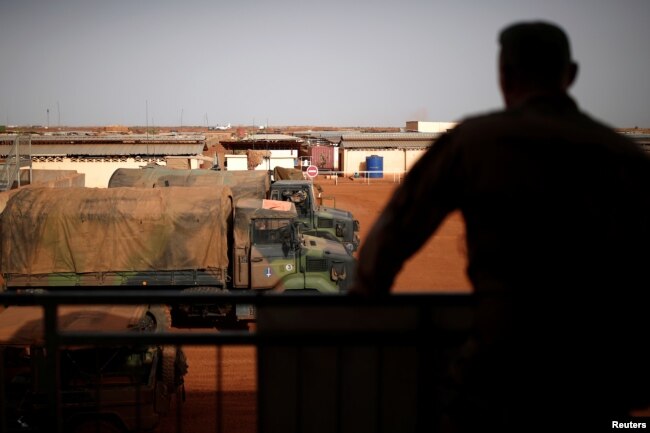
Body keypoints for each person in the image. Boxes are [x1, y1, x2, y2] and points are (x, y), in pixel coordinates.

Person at [350, 21, 650, 431]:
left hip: (496, 377)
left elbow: (391, 236)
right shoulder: (624, 157)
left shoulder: (474, 142)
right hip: (593, 383)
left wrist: (363, 307)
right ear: (571, 75)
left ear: (504, 75)